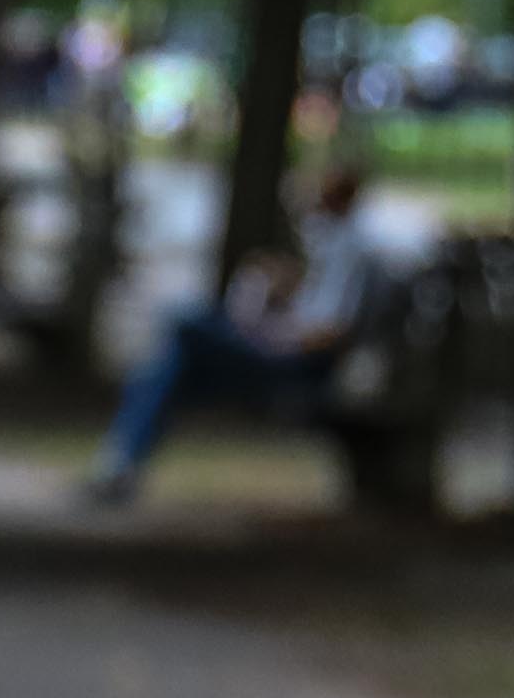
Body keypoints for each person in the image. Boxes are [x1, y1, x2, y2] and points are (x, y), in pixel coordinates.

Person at [84, 163, 379, 504]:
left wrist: (278, 338)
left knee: (183, 324)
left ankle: (118, 468)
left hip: (293, 364)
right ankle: (118, 470)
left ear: (339, 197)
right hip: (278, 351)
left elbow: (334, 331)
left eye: (319, 192)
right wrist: (279, 289)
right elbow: (311, 306)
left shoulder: (351, 252)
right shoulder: (330, 243)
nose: (311, 201)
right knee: (165, 370)